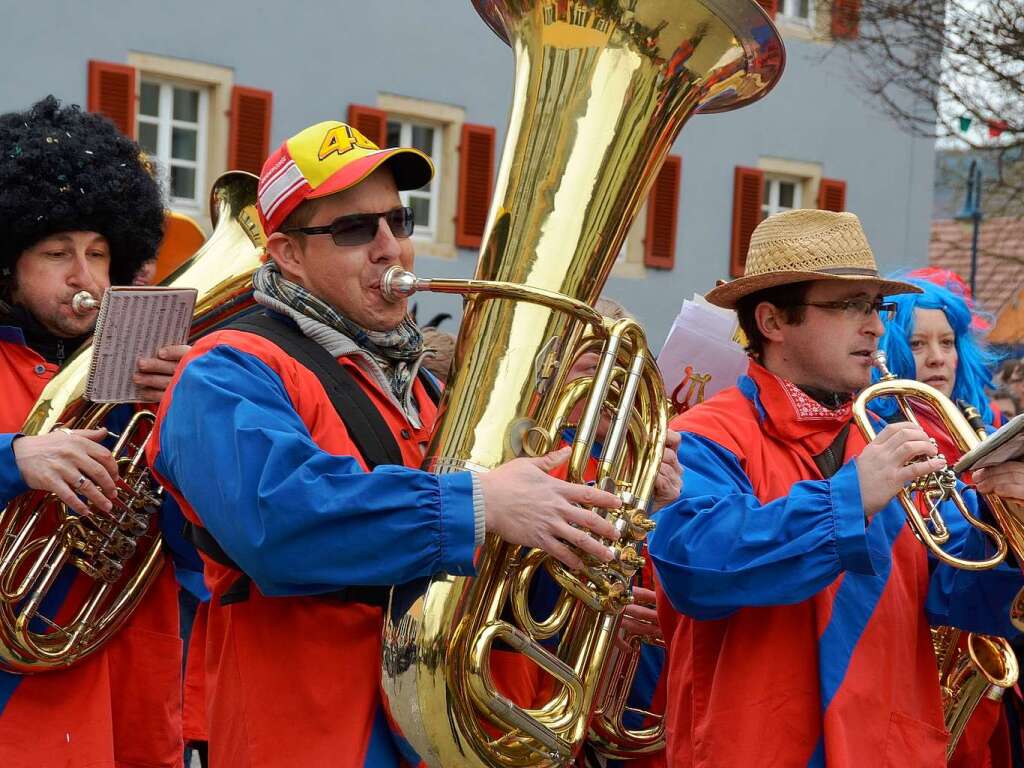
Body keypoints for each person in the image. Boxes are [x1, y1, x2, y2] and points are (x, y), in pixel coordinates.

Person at [145, 119, 628, 767]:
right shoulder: (226, 371)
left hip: (452, 738)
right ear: (287, 254)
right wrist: (477, 506)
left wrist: (606, 491)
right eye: (354, 230)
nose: (390, 247)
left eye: (399, 222)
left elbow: (513, 576)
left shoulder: (426, 391)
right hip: (315, 740)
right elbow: (279, 523)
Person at [649, 208, 1024, 766]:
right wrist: (850, 497)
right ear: (774, 322)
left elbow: (957, 591)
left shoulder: (891, 430)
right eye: (849, 306)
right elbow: (697, 569)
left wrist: (1008, 516)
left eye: (876, 306)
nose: (875, 326)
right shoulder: (704, 433)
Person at [0, 96, 191, 766]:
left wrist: (185, 428)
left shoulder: (139, 375)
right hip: (20, 709)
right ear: (8, 267)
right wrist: (14, 459)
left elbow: (199, 554)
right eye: (57, 253)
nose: (85, 278)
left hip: (132, 696)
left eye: (99, 253)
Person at [876, 273, 1017, 768]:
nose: (937, 357)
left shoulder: (982, 423)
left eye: (947, 341)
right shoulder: (885, 433)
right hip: (931, 660)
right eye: (917, 342)